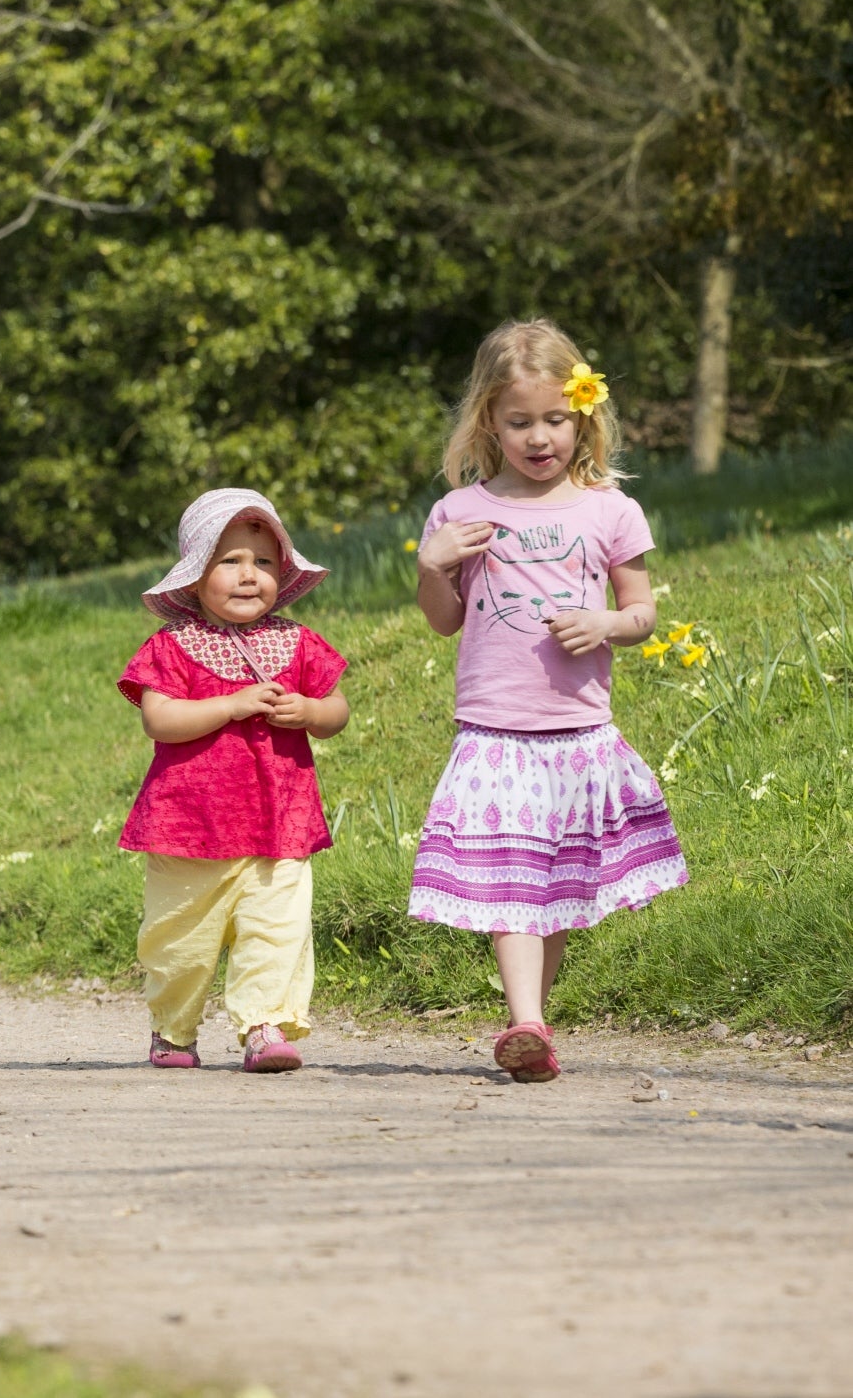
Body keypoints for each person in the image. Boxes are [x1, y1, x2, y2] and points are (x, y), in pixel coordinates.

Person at [411, 319, 687, 1084]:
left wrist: (606, 623)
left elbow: (642, 612)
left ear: (583, 416)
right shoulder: (460, 513)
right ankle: (526, 1020)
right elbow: (444, 621)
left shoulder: (608, 511)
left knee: (557, 885)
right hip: (496, 729)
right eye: (519, 421)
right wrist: (432, 567)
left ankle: (532, 1019)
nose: (539, 439)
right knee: (511, 879)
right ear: (488, 423)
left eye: (555, 421)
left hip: (578, 730)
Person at [117, 488, 350, 1072]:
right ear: (195, 578)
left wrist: (310, 712)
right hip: (187, 826)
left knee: (278, 930)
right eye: (230, 561)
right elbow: (160, 719)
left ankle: (263, 1024)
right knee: (180, 940)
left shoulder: (298, 643)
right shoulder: (172, 646)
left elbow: (337, 711)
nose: (250, 576)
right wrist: (233, 704)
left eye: (264, 562)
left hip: (280, 820)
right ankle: (172, 1031)